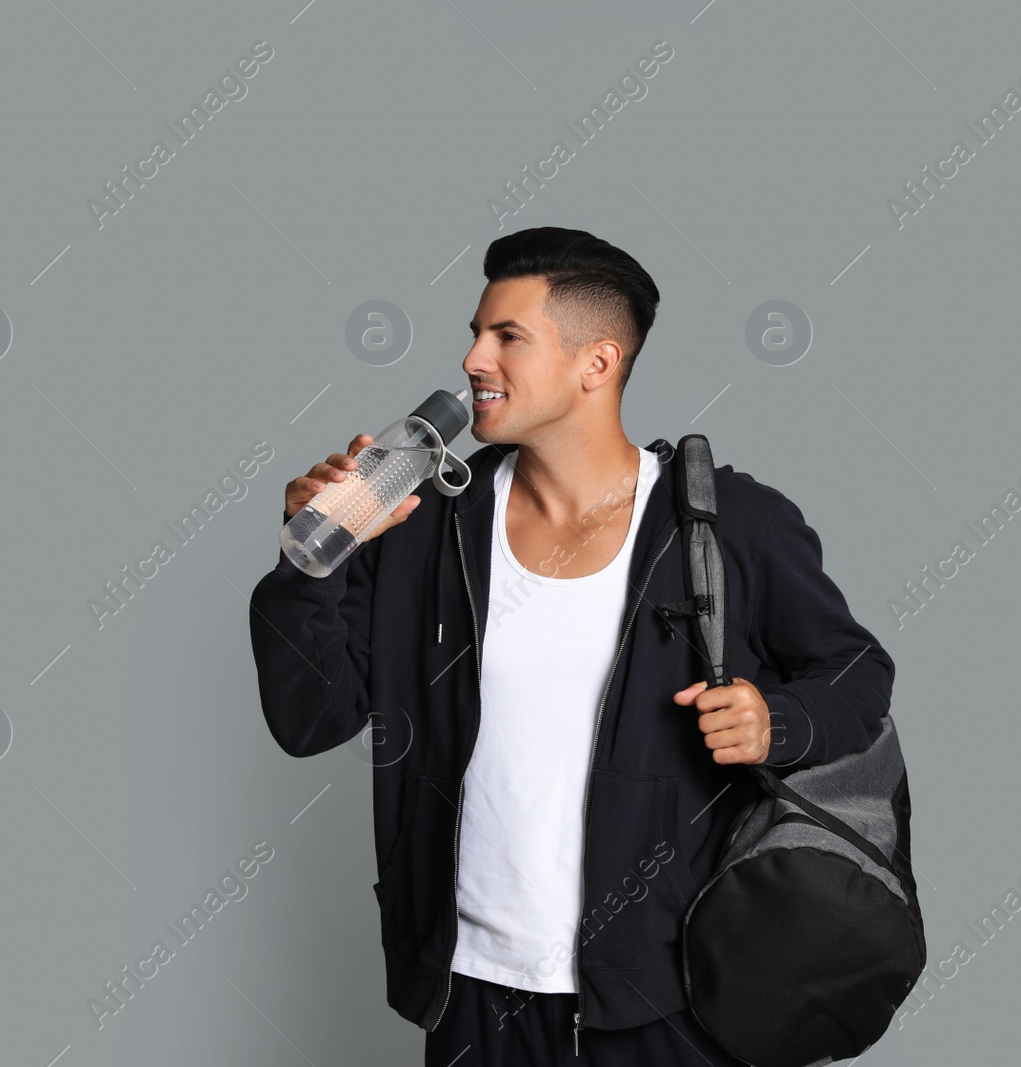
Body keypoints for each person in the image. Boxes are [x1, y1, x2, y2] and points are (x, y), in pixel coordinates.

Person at [248, 226, 895, 1065]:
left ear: (598, 362)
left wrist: (779, 721)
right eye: (476, 334)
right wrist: (310, 564)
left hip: (666, 996)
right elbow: (312, 716)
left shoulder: (728, 524)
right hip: (471, 993)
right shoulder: (421, 526)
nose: (475, 359)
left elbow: (857, 674)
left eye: (506, 336)